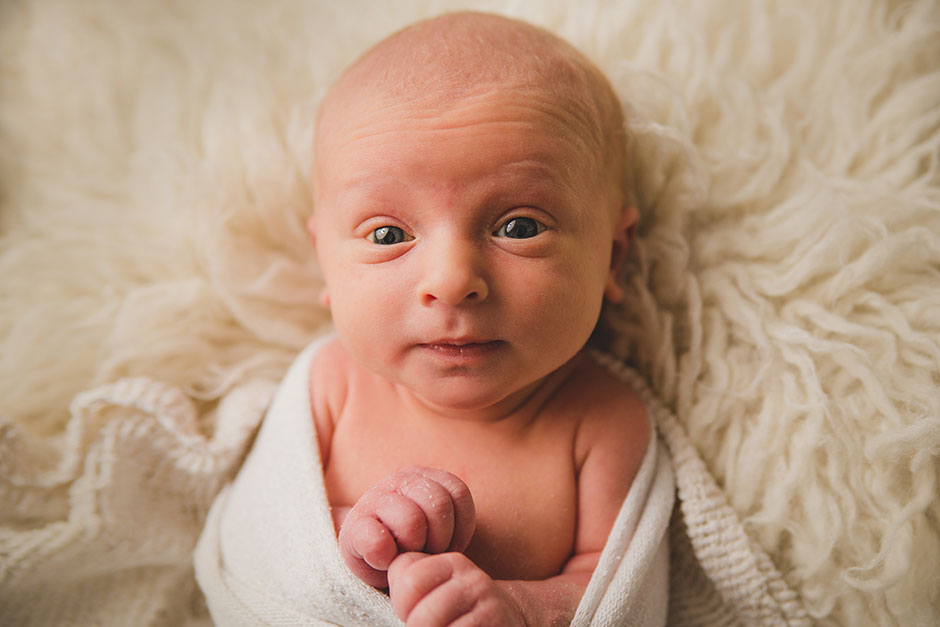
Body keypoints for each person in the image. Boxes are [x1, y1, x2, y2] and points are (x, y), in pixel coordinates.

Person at [304, 11, 655, 626]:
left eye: (519, 227)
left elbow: (618, 593)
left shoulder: (602, 423)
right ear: (324, 267)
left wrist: (520, 607)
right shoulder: (329, 386)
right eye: (388, 234)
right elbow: (268, 529)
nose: (451, 280)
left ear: (612, 257)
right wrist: (353, 541)